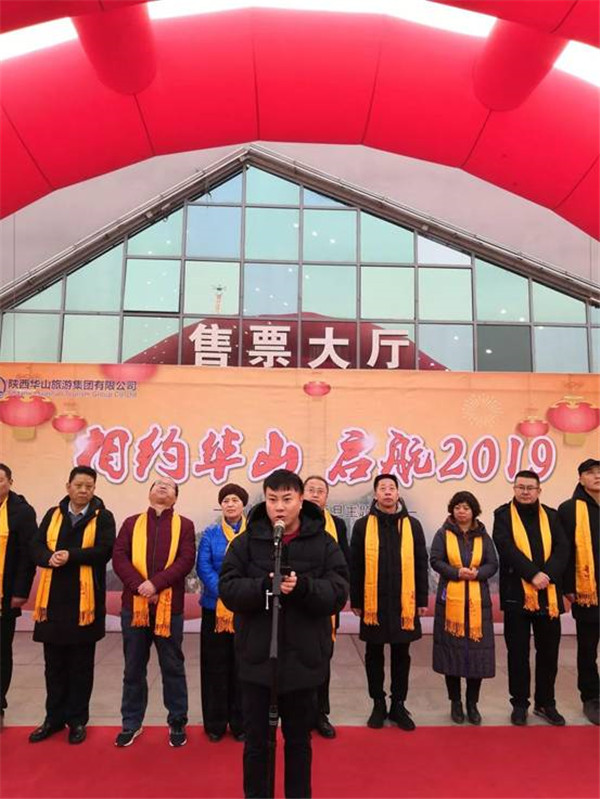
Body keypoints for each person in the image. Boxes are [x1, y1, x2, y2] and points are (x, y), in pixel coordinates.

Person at [219, 469, 349, 799]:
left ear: (301, 501)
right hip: (257, 661)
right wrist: (262, 585)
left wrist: (303, 587)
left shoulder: (324, 542)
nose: (279, 507)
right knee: (256, 744)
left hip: (303, 662)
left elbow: (338, 592)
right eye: (272, 499)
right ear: (264, 500)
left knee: (298, 743)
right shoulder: (246, 542)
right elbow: (228, 588)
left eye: (287, 499)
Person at [28, 466, 115, 744]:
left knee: (81, 666)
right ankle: (53, 719)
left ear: (94, 489)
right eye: (78, 485)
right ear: (68, 487)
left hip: (84, 603)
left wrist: (71, 556)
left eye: (89, 486)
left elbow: (104, 551)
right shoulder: (53, 515)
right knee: (53, 666)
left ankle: (77, 720)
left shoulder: (103, 517)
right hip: (52, 601)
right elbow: (36, 546)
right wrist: (48, 557)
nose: (83, 490)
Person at [112, 477, 196, 748]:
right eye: (157, 483)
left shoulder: (185, 525)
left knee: (172, 666)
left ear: (175, 497)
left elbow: (186, 560)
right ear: (149, 493)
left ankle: (177, 721)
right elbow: (119, 557)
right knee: (133, 668)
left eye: (169, 485)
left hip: (170, 609)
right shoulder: (131, 523)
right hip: (134, 606)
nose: (162, 486)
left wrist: (156, 584)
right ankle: (131, 722)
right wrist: (141, 587)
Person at [350, 473, 428, 732]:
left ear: (397, 493)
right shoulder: (362, 526)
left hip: (404, 603)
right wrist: (357, 599)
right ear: (375, 495)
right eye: (382, 488)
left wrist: (421, 599)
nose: (387, 492)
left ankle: (398, 705)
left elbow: (421, 563)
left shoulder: (412, 525)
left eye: (391, 488)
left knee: (401, 655)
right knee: (373, 654)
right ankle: (378, 703)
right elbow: (355, 565)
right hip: (374, 603)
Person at [492, 469, 569, 726]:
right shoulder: (502, 515)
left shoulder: (552, 516)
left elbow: (563, 549)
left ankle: (546, 703)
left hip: (548, 595)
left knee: (548, 653)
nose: (525, 492)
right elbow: (506, 548)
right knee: (518, 653)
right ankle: (520, 703)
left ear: (539, 490)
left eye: (530, 488)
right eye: (521, 487)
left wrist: (547, 575)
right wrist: (532, 574)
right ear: (514, 489)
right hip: (517, 595)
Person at [430, 491, 498, 725]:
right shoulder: (443, 534)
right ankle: (456, 702)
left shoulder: (483, 536)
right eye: (457, 507)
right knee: (452, 653)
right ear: (452, 509)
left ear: (473, 511)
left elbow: (493, 563)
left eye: (466, 508)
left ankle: (472, 703)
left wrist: (478, 574)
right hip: (451, 602)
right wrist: (456, 572)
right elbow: (435, 560)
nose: (461, 511)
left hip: (479, 603)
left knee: (477, 655)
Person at [197, 483, 249, 742]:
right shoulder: (210, 534)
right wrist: (226, 592)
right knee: (214, 667)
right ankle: (215, 724)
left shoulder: (254, 534)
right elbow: (203, 567)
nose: (230, 504)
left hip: (245, 611)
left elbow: (257, 566)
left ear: (243, 504)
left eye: (235, 500)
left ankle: (241, 723)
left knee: (243, 667)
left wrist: (240, 593)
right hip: (214, 609)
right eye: (226, 500)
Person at [303, 474, 350, 739]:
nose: (315, 494)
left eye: (320, 491)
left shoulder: (338, 525)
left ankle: (321, 714)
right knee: (298, 659)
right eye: (310, 489)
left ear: (326, 497)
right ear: (301, 495)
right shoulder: (291, 523)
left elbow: (344, 564)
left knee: (323, 659)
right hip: (298, 601)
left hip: (326, 603)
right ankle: (300, 714)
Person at [558, 458, 600, 726]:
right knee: (587, 648)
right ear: (580, 478)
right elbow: (564, 551)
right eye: (591, 472)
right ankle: (592, 697)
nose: (597, 476)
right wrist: (568, 587)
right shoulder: (569, 509)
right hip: (587, 592)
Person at [0, 463, 37, 718]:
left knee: (1, 650)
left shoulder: (22, 512)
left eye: (0, 480)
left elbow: (27, 556)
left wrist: (20, 591)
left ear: (10, 482)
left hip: (5, 594)